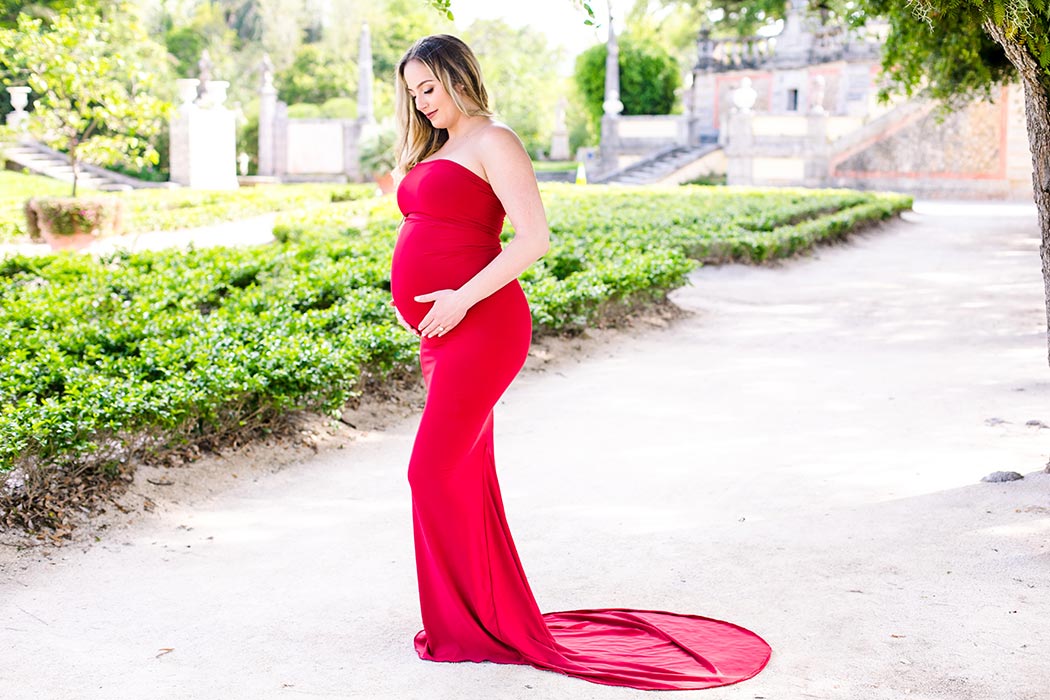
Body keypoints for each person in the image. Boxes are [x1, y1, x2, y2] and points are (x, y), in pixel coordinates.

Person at [388, 34, 770, 691]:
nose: (422, 104)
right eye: (413, 93)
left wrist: (459, 297)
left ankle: (472, 624)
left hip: (483, 324)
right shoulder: (442, 147)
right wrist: (431, 306)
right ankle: (474, 619)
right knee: (463, 474)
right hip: (444, 330)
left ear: (458, 78)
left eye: (430, 88)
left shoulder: (493, 140)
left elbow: (533, 238)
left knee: (430, 471)